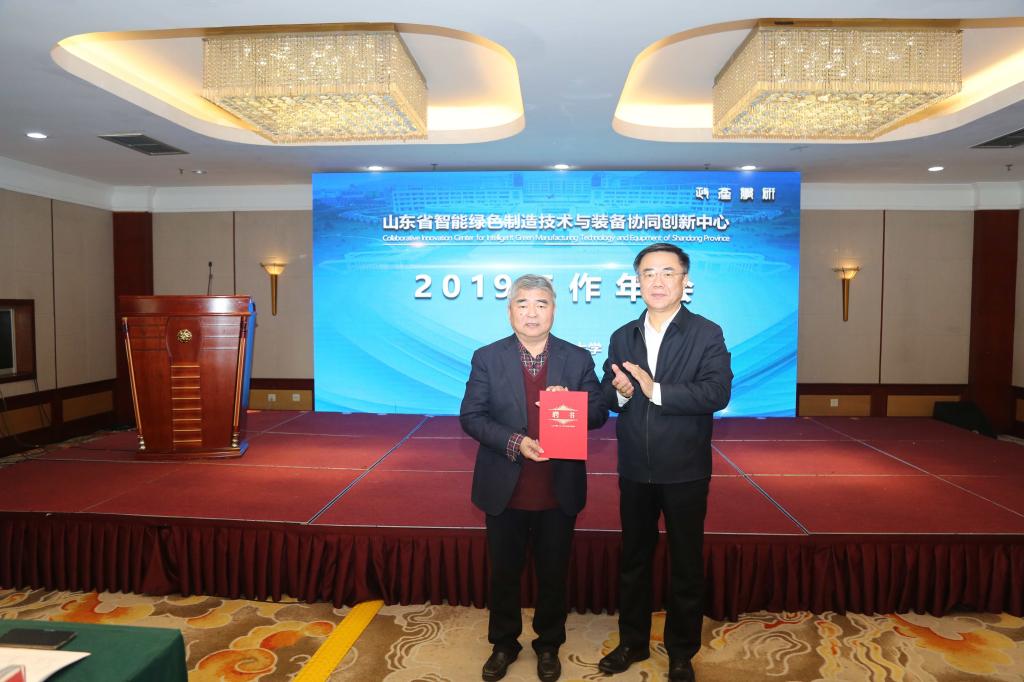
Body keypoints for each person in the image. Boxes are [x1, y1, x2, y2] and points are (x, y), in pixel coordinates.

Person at [461, 274, 608, 682]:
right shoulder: (487, 357)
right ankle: (503, 643)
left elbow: (599, 413)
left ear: (553, 310)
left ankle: (549, 645)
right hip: (505, 488)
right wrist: (515, 442)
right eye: (522, 304)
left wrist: (573, 405)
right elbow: (471, 416)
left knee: (553, 574)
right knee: (504, 573)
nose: (531, 312)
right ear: (509, 311)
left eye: (541, 304)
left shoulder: (577, 358)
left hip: (558, 489)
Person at [597, 243, 732, 682]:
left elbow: (717, 393)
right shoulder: (622, 335)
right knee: (634, 561)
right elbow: (608, 394)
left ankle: (680, 652)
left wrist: (654, 390)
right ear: (637, 281)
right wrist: (620, 393)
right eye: (648, 273)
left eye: (667, 273)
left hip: (685, 469)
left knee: (686, 565)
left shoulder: (706, 333)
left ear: (684, 281)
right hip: (635, 468)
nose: (657, 281)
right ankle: (632, 643)